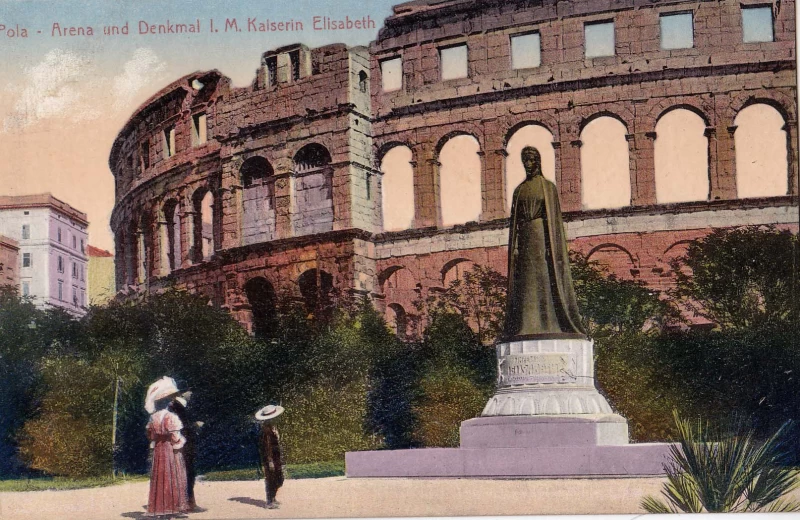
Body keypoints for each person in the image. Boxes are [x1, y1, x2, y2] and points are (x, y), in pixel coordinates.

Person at [504, 146, 587, 340]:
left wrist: (551, 247)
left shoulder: (548, 187)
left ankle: (549, 321)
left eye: (531, 160)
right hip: (525, 239)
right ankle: (526, 323)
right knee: (526, 281)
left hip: (542, 237)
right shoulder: (519, 190)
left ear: (538, 162)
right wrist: (515, 246)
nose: (528, 164)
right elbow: (515, 222)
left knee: (545, 278)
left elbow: (553, 220)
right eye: (525, 160)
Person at [145, 377, 189, 518]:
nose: (172, 400)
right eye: (170, 398)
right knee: (173, 476)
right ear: (167, 401)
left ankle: (161, 508)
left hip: (159, 449)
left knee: (160, 477)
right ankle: (173, 507)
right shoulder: (170, 417)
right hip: (170, 449)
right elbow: (175, 436)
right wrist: (180, 442)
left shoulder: (153, 418)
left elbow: (151, 435)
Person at [170, 392, 202, 512]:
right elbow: (180, 427)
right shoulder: (176, 406)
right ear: (183, 393)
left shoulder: (181, 406)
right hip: (183, 445)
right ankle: (188, 503)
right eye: (189, 390)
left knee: (187, 472)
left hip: (185, 445)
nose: (192, 393)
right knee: (187, 472)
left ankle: (187, 502)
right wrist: (195, 426)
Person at [255, 405, 285, 509]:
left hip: (276, 457)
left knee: (279, 477)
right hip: (270, 458)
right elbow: (266, 447)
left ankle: (273, 498)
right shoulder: (266, 431)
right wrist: (270, 461)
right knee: (271, 478)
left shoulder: (273, 427)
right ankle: (270, 501)